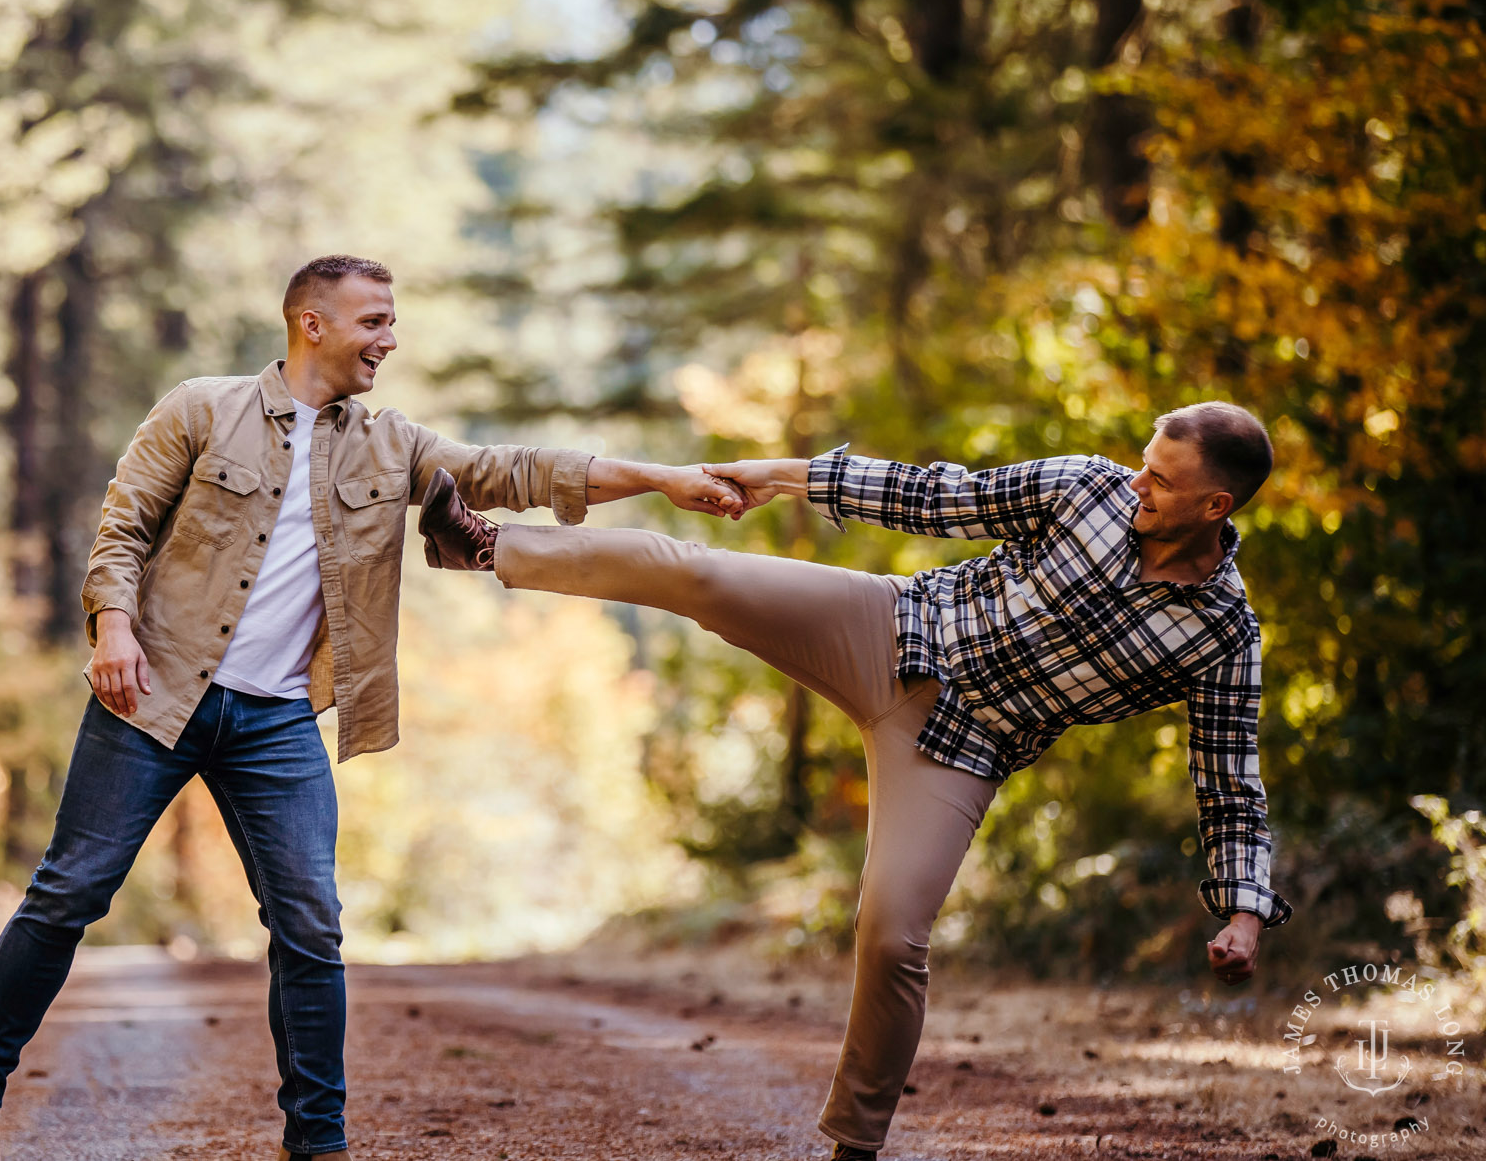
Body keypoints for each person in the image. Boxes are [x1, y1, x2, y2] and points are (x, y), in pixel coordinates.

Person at [0, 255, 744, 1161]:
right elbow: (120, 529)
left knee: (311, 923)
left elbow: (513, 470)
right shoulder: (201, 407)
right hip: (155, 693)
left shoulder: (390, 443)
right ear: (310, 324)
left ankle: (316, 1142)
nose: (388, 340)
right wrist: (113, 628)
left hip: (277, 719)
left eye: (392, 323)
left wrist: (664, 477)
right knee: (68, 894)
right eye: (373, 322)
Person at [415, 403, 1291, 1161]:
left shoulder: (1222, 636)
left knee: (894, 934)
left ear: (1215, 505)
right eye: (1141, 464)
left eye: (1161, 481)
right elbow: (927, 493)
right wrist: (773, 474)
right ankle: (487, 545)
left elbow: (1229, 783)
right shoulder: (1085, 488)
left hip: (959, 750)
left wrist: (1244, 913)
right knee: (699, 573)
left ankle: (854, 1145)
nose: (1136, 483)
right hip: (890, 627)